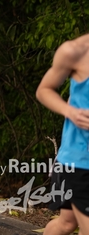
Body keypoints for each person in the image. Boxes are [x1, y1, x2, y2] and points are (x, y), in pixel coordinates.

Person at [36, 33, 89, 235]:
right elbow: (44, 90)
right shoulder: (75, 51)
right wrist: (71, 112)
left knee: (67, 223)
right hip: (80, 160)